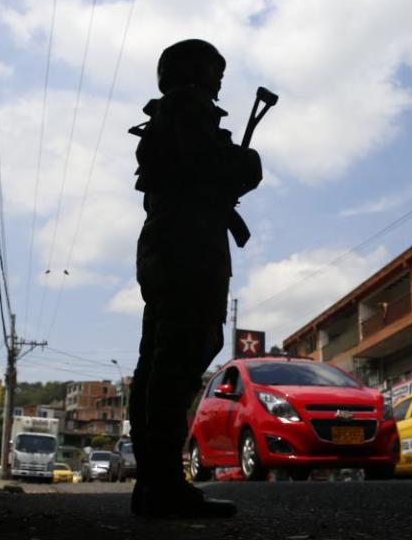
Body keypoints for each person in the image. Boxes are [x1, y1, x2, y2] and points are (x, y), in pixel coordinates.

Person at [128, 39, 262, 518]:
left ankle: (154, 483)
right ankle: (162, 486)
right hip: (188, 244)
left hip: (168, 243)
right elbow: (211, 166)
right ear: (191, 70)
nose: (220, 77)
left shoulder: (169, 113)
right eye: (214, 68)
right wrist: (246, 165)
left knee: (159, 361)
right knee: (182, 354)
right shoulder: (188, 107)